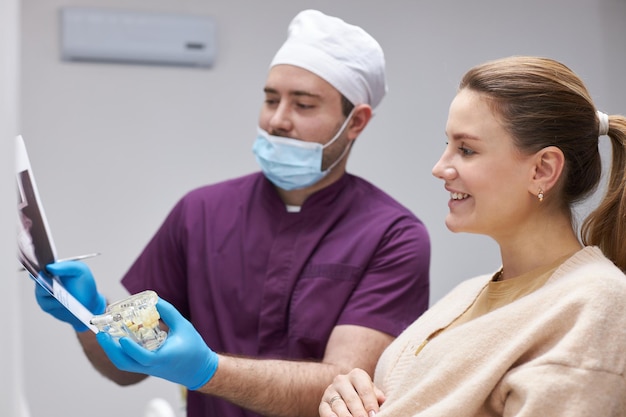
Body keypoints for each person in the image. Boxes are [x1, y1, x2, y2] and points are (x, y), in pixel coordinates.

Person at [35, 9, 431, 417]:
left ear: (356, 122)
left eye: (304, 105)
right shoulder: (200, 213)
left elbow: (345, 392)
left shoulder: (393, 235)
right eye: (271, 99)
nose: (277, 121)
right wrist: (87, 317)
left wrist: (208, 371)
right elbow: (128, 372)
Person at [319, 55, 626, 417]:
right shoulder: (464, 295)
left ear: (542, 170)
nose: (439, 168)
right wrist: (345, 396)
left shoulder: (597, 306)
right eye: (448, 144)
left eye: (466, 149)